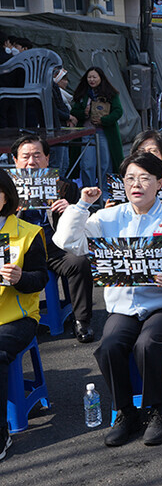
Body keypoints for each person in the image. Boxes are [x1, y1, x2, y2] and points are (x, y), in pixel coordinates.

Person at [54, 152, 162, 446]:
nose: (137, 184)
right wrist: (82, 205)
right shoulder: (109, 217)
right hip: (124, 306)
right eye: (130, 178)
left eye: (145, 178)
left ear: (161, 182)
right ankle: (125, 411)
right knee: (109, 346)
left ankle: (156, 410)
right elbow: (68, 242)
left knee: (147, 344)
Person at [11, 134, 96, 343]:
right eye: (26, 157)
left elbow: (86, 222)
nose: (32, 162)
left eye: (37, 155)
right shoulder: (6, 191)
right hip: (20, 250)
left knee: (79, 262)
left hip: (55, 248)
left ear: (47, 159)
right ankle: (12, 319)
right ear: (15, 161)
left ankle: (82, 321)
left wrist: (71, 209)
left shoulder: (66, 188)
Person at [0, 169, 48, 461]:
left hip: (17, 318)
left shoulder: (27, 234)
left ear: (5, 195)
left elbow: (40, 279)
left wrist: (20, 278)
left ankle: (1, 433)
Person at [70, 67, 123, 187]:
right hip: (86, 133)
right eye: (89, 77)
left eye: (94, 77)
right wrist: (84, 112)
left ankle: (105, 193)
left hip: (104, 133)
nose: (91, 80)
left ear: (101, 78)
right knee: (87, 164)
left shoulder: (111, 94)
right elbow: (74, 111)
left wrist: (103, 120)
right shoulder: (83, 94)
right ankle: (89, 191)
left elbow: (118, 111)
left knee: (105, 164)